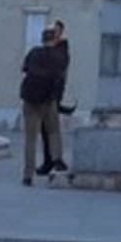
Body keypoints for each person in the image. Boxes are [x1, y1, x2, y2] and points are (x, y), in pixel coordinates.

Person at [20, 22, 70, 185]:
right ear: (54, 40)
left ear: (42, 39)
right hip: (49, 100)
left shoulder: (34, 52)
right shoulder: (58, 56)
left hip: (30, 100)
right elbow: (60, 75)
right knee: (53, 131)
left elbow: (25, 68)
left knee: (30, 138)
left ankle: (28, 175)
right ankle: (57, 160)